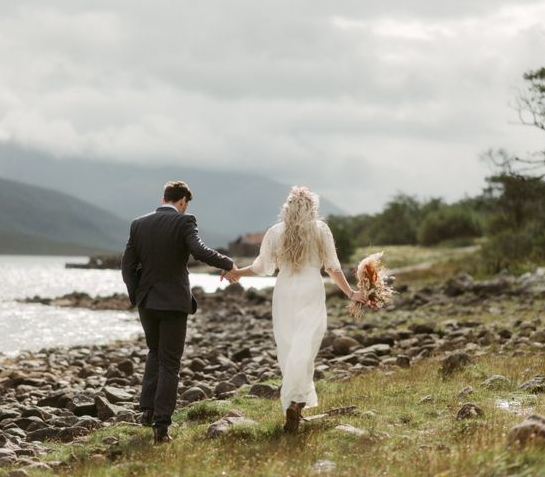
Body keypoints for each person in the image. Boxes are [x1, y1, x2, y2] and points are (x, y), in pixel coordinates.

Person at [232, 186, 366, 432]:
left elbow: (262, 267)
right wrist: (351, 293)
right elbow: (332, 268)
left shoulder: (275, 232)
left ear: (288, 208)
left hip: (284, 291)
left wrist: (237, 272)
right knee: (305, 347)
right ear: (312, 208)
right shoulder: (320, 230)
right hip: (310, 288)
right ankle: (296, 403)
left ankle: (292, 404)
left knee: (288, 346)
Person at [121, 181, 238, 444]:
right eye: (186, 204)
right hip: (173, 303)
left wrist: (137, 296)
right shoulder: (184, 222)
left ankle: (147, 412)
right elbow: (198, 251)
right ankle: (161, 428)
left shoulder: (138, 224)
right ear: (183, 201)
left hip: (147, 303)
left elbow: (127, 266)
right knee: (170, 363)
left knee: (154, 353)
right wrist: (228, 263)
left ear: (164, 198)